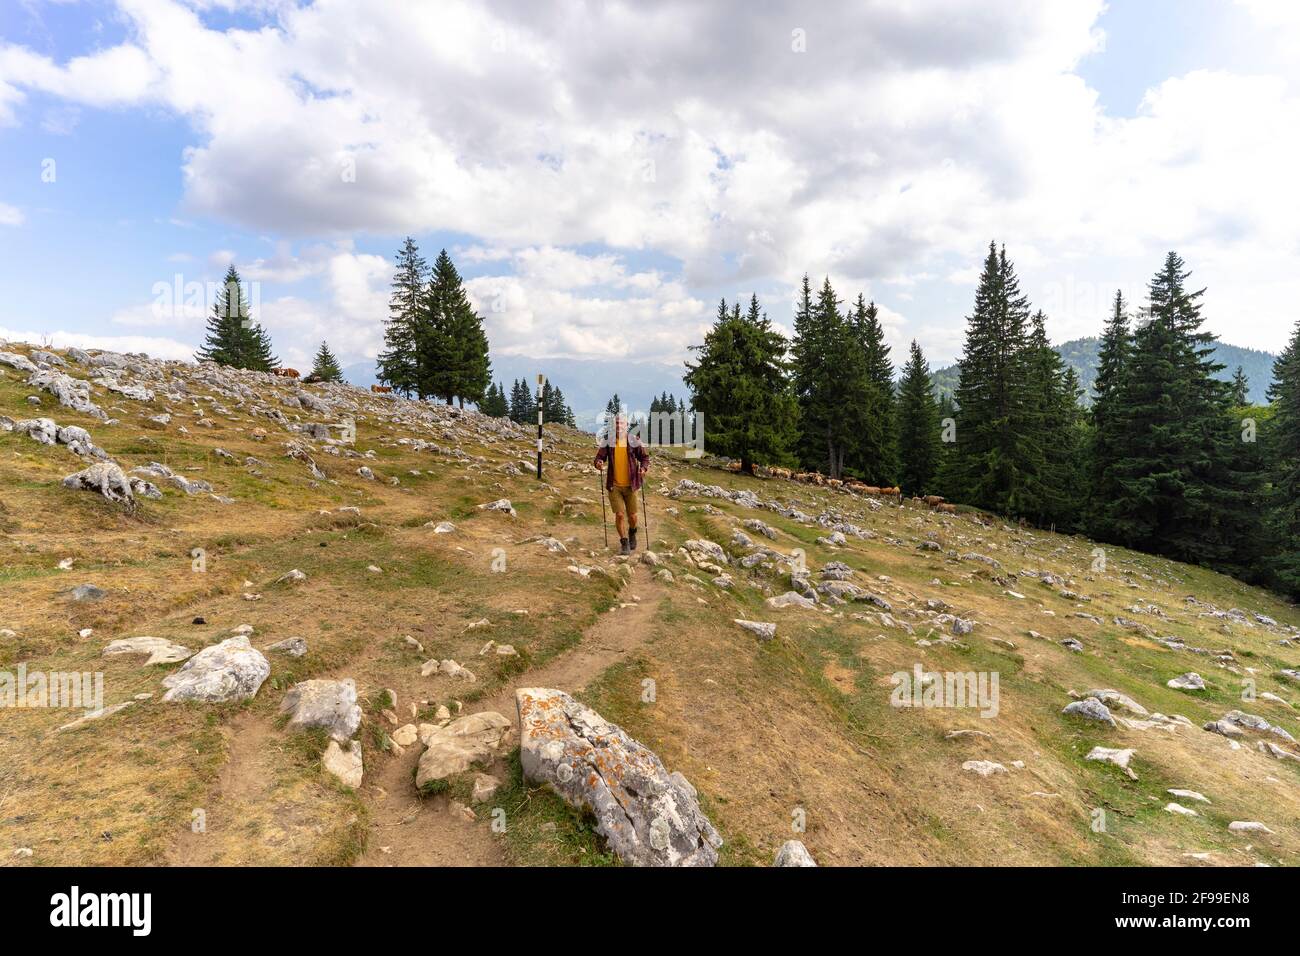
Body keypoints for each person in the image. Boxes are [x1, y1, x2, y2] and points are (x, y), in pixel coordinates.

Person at [594, 411, 649, 555]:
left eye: (622, 423)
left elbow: (644, 458)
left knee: (632, 516)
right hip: (615, 485)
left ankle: (632, 532)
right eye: (616, 423)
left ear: (627, 425)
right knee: (619, 515)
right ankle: (624, 541)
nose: (619, 426)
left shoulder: (634, 441)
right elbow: (599, 457)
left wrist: (643, 468)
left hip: (631, 485)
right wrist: (598, 462)